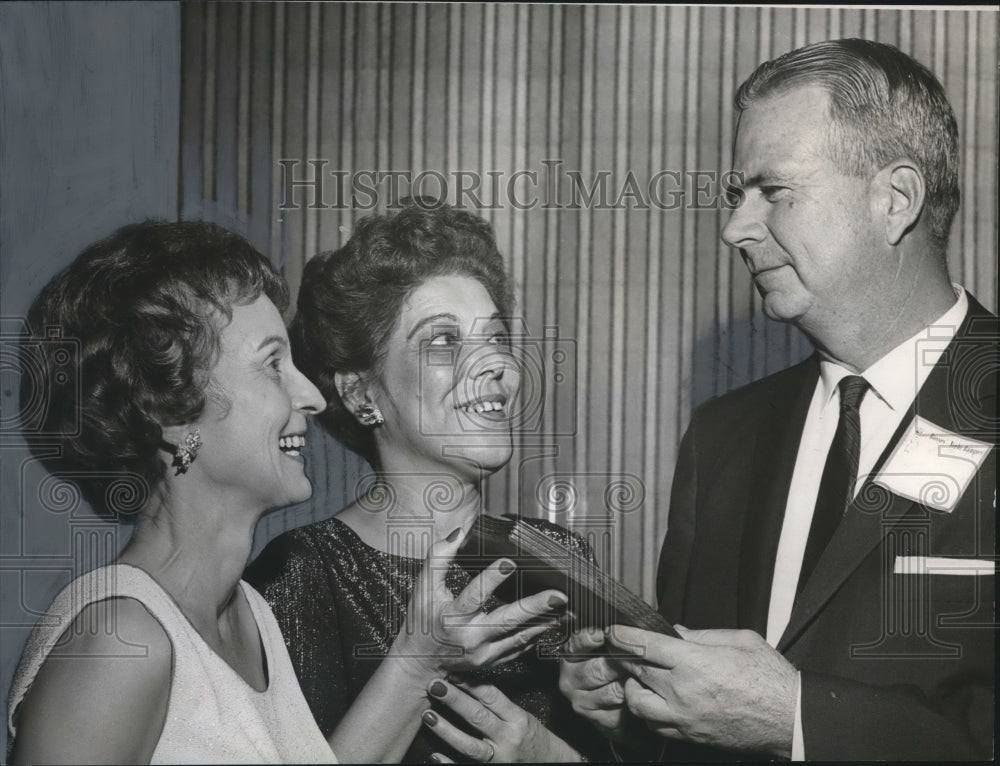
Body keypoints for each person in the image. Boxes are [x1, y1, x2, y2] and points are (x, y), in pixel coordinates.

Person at [559, 38, 996, 761]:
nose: (735, 228)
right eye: (738, 194)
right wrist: (633, 709)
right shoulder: (722, 438)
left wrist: (798, 718)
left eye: (774, 192)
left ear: (896, 200)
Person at [7, 220, 565, 764]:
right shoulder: (119, 643)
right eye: (273, 365)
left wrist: (419, 661)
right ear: (170, 414)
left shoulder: (253, 618)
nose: (313, 397)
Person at [246, 200, 603, 763]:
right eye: (443, 341)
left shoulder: (559, 554)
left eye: (496, 337)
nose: (494, 367)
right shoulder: (300, 576)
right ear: (362, 394)